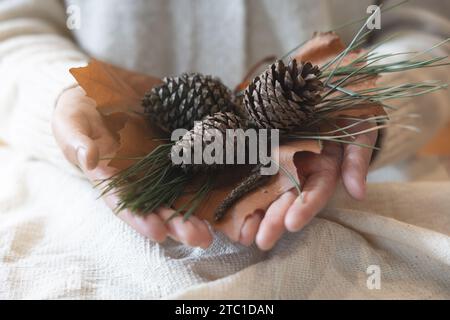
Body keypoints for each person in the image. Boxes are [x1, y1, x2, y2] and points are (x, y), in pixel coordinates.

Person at [0, 0, 449, 299]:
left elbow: (429, 25)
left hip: (361, 187)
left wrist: (372, 98)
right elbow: (14, 26)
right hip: (81, 195)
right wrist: (62, 93)